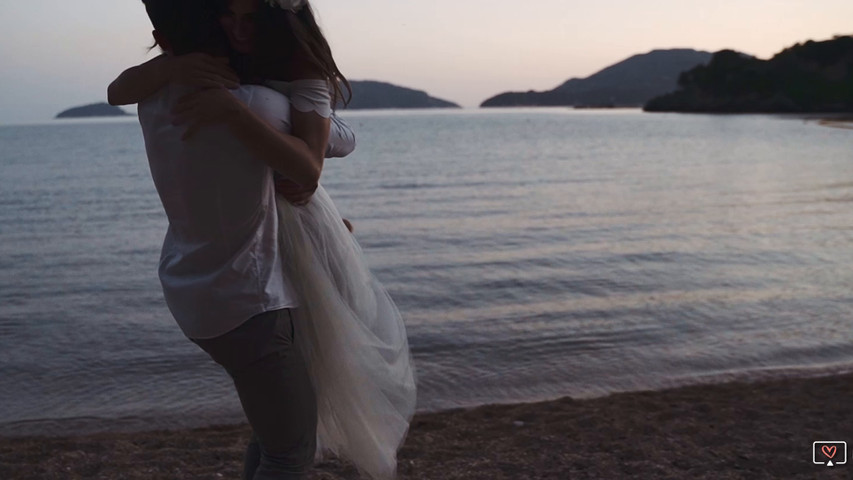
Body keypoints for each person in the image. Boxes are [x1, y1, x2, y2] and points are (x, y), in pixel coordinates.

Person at [112, 1, 416, 478]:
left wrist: (172, 67)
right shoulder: (257, 103)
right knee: (289, 449)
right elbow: (322, 153)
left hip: (193, 284)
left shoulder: (154, 100)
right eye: (227, 16)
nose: (237, 29)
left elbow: (117, 90)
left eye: (249, 18)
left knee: (272, 432)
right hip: (249, 295)